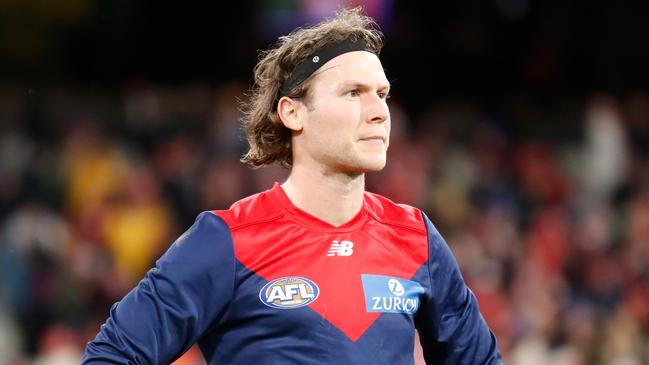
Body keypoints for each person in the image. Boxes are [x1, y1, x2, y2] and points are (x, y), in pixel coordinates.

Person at [82, 7, 502, 364]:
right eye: (353, 93)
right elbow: (112, 356)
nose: (379, 112)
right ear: (293, 113)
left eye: (383, 94)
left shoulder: (415, 238)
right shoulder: (227, 242)